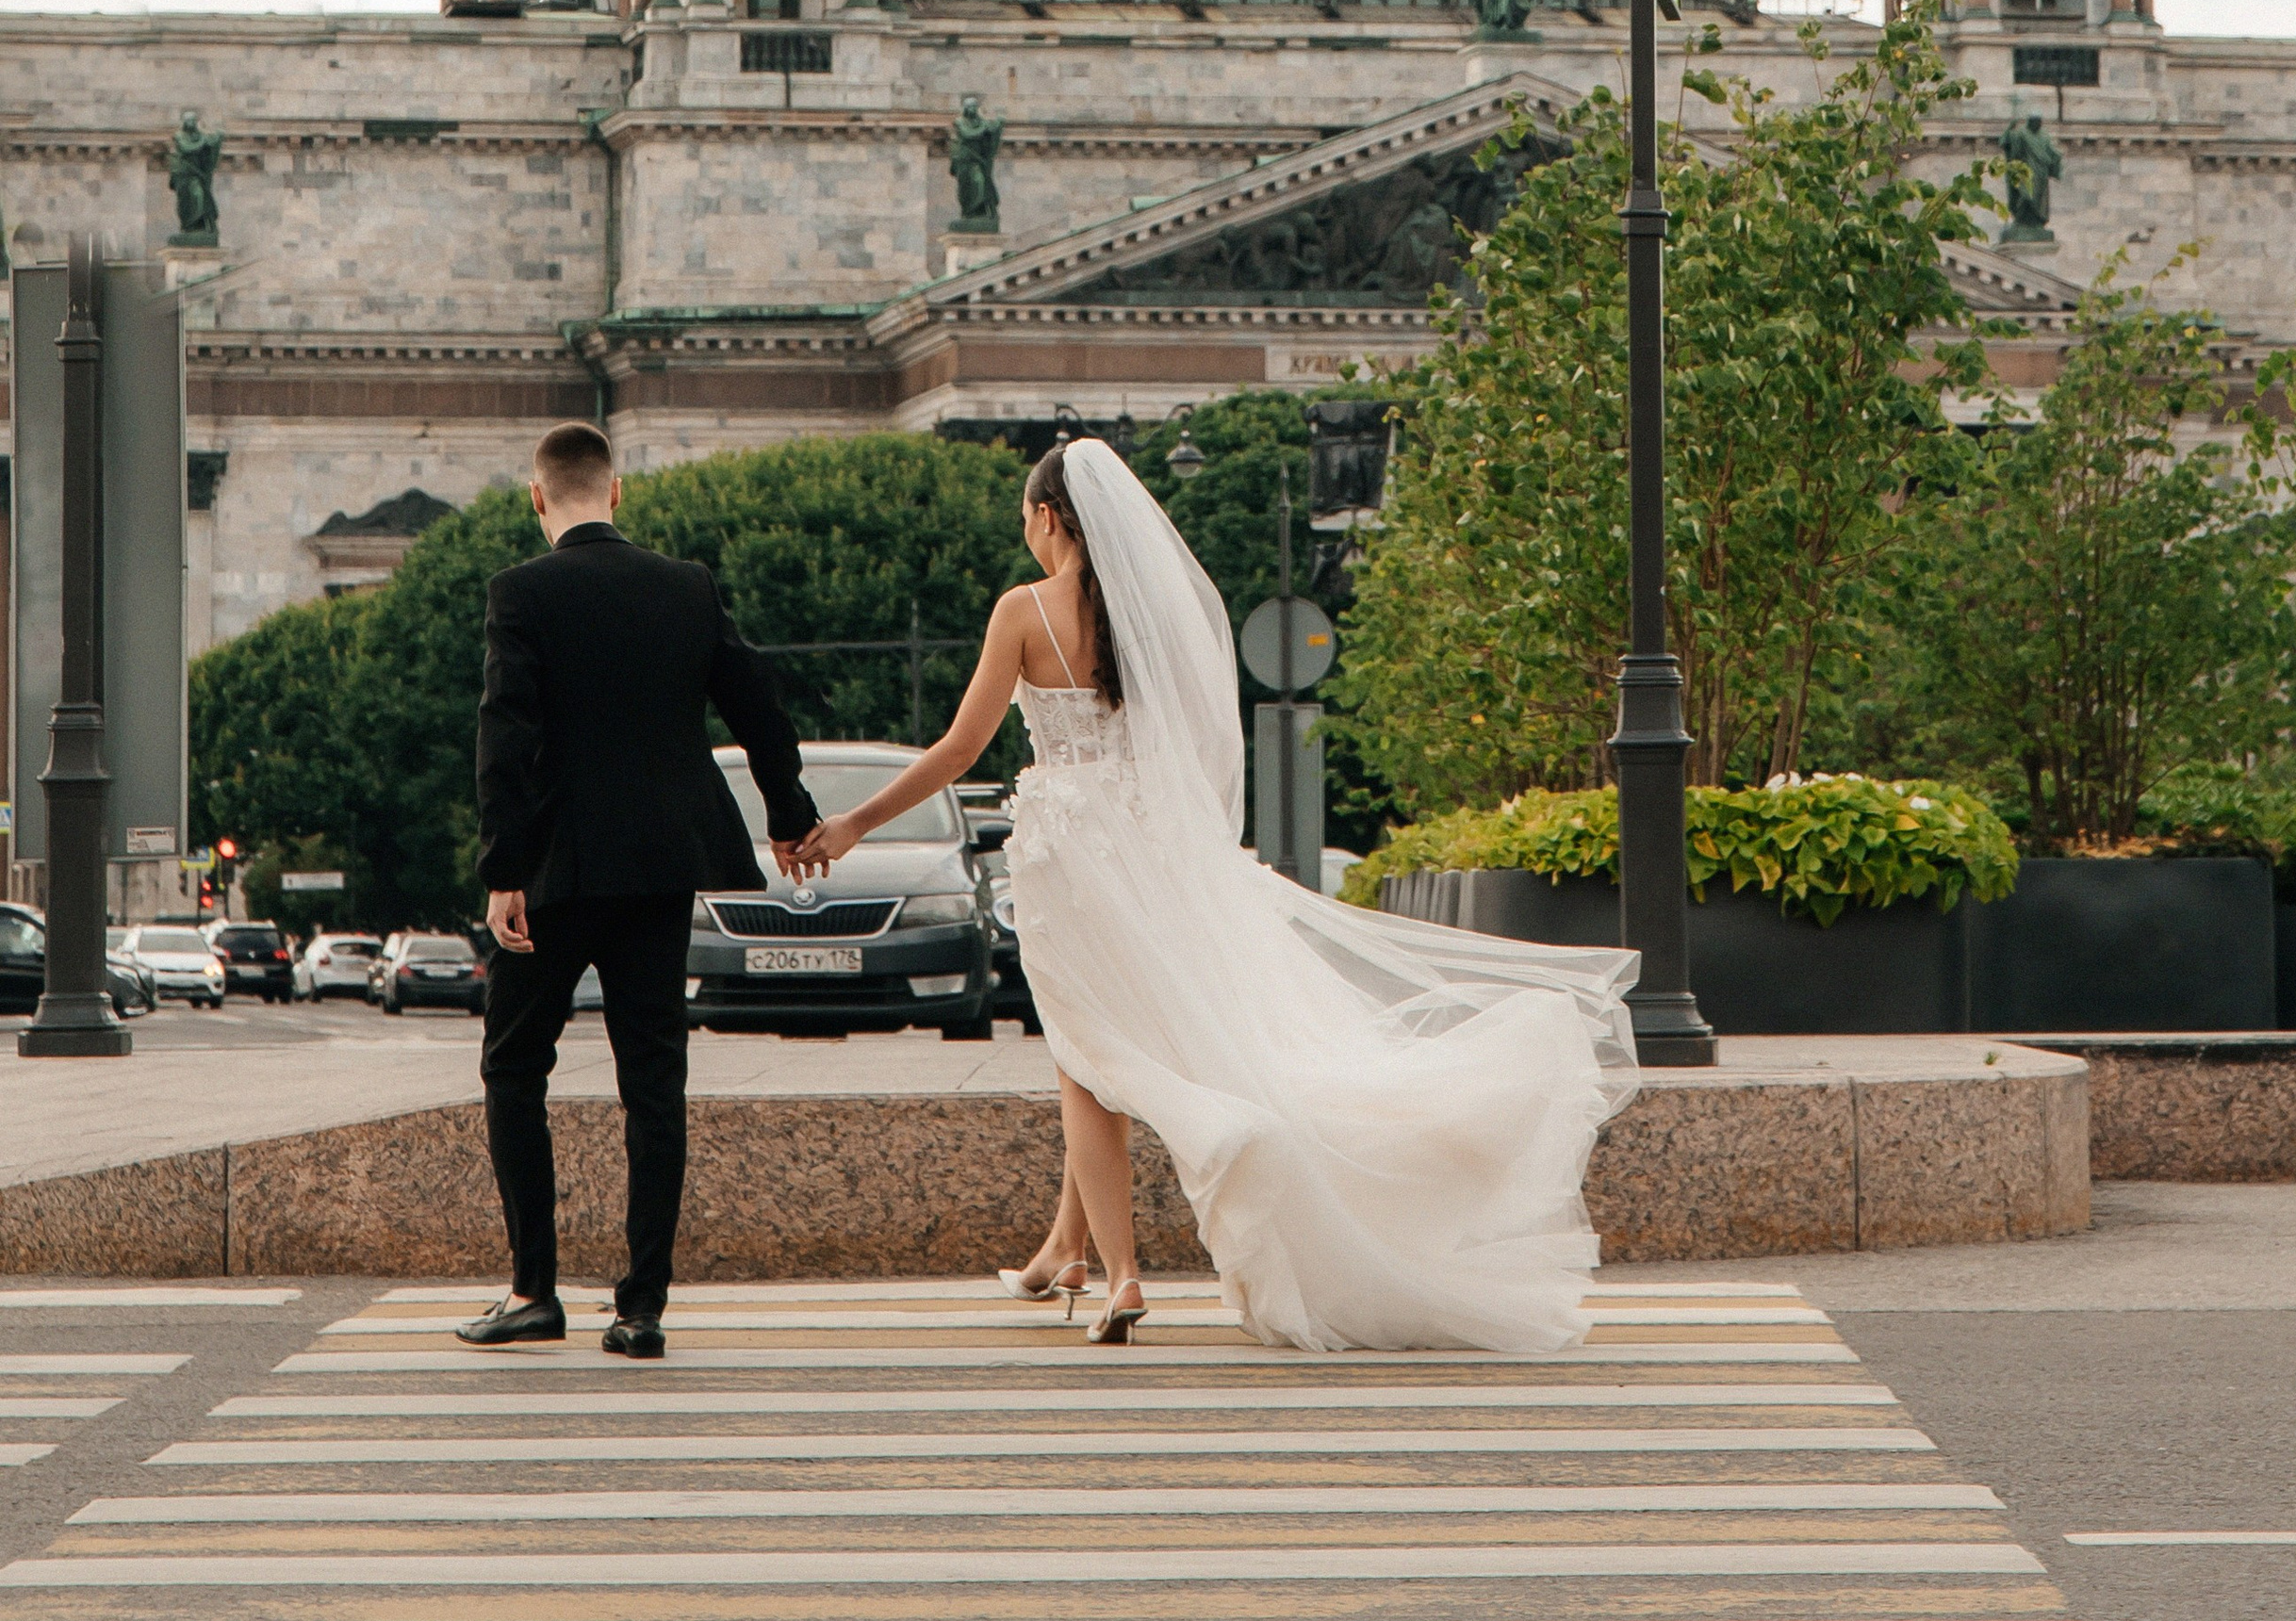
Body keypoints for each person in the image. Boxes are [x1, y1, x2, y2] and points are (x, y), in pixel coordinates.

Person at [800, 436, 1636, 1355]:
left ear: (1046, 517)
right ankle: (1061, 1252)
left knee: (1088, 1058)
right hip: (1154, 851)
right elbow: (1195, 748)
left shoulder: (1024, 610)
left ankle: (1121, 1274)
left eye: (1026, 521)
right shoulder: (1149, 615)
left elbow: (960, 749)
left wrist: (853, 822)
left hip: (1068, 858)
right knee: (1110, 1041)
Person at [464, 420, 816, 1357]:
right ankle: (641, 1306)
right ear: (616, 492)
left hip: (554, 872)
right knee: (653, 1079)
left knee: (512, 1066)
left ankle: (532, 1287)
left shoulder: (520, 593)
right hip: (664, 862)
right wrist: (787, 811)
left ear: (538, 496)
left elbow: (507, 734)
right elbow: (758, 703)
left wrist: (503, 867)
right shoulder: (687, 586)